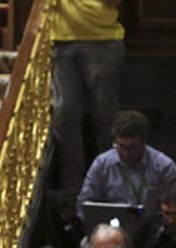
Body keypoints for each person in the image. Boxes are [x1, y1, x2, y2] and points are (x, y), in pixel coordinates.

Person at [51, 0, 125, 223]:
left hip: (102, 38)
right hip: (61, 37)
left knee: (106, 117)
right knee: (64, 115)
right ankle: (72, 193)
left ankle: (110, 186)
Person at [76, 110, 176, 225]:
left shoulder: (164, 166)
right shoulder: (102, 165)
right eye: (121, 146)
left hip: (153, 230)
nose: (126, 153)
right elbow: (84, 205)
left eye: (132, 147)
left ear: (144, 142)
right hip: (112, 229)